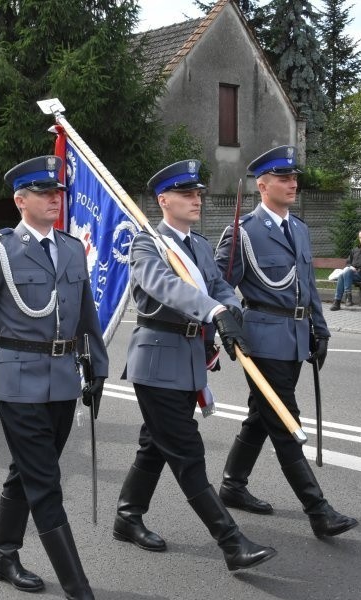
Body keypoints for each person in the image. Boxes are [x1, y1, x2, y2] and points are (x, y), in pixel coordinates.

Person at [0, 156, 108, 599]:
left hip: (63, 379)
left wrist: (98, 366)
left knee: (28, 471)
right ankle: (78, 586)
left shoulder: (71, 248)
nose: (56, 200)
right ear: (20, 200)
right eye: (45, 193)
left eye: (59, 194)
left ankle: (3, 554)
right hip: (18, 379)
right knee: (46, 482)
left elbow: (86, 314)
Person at [112, 160, 276, 572]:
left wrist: (231, 311)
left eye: (198, 193)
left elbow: (221, 285)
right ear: (164, 200)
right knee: (187, 453)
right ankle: (231, 542)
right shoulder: (146, 244)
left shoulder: (200, 245)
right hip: (157, 360)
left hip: (189, 360)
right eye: (187, 193)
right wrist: (214, 310)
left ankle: (127, 516)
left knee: (155, 445)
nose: (197, 199)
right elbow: (164, 287)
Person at [215, 145, 358, 537]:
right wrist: (224, 329)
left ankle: (232, 484)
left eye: (294, 177)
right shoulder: (242, 232)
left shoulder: (300, 228)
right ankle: (318, 509)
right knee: (284, 420)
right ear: (262, 186)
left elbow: (309, 286)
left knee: (262, 415)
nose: (293, 183)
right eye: (283, 178)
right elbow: (217, 287)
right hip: (262, 341)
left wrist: (321, 329)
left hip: (295, 338)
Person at [330, 229, 361, 310]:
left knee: (343, 275)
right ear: (359, 238)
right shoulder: (354, 250)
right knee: (343, 274)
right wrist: (351, 267)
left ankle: (337, 301)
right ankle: (346, 298)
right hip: (351, 274)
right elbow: (348, 263)